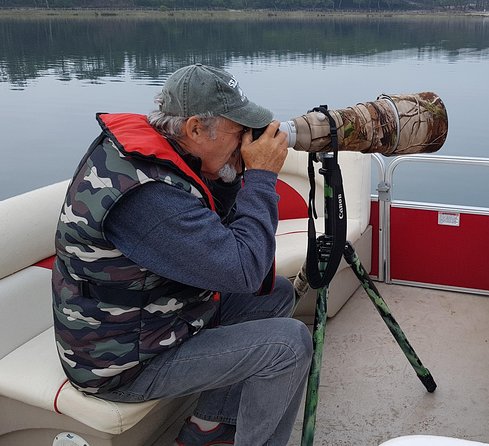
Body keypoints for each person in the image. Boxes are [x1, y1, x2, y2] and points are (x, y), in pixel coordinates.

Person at [51, 63, 313, 446]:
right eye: (238, 130)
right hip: (120, 361)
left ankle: (208, 428)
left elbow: (221, 241)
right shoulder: (145, 195)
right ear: (193, 128)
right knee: (288, 346)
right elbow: (243, 270)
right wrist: (260, 177)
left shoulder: (169, 157)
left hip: (153, 321)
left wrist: (227, 173)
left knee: (275, 296)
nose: (246, 140)